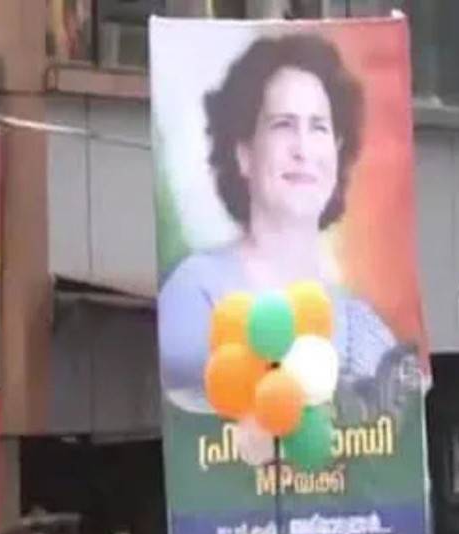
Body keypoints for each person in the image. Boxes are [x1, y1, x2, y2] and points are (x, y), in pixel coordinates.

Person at [156, 32, 419, 423]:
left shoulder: (364, 329)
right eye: (283, 125)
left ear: (337, 152)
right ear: (244, 154)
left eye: (319, 127)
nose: (303, 148)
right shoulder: (197, 293)